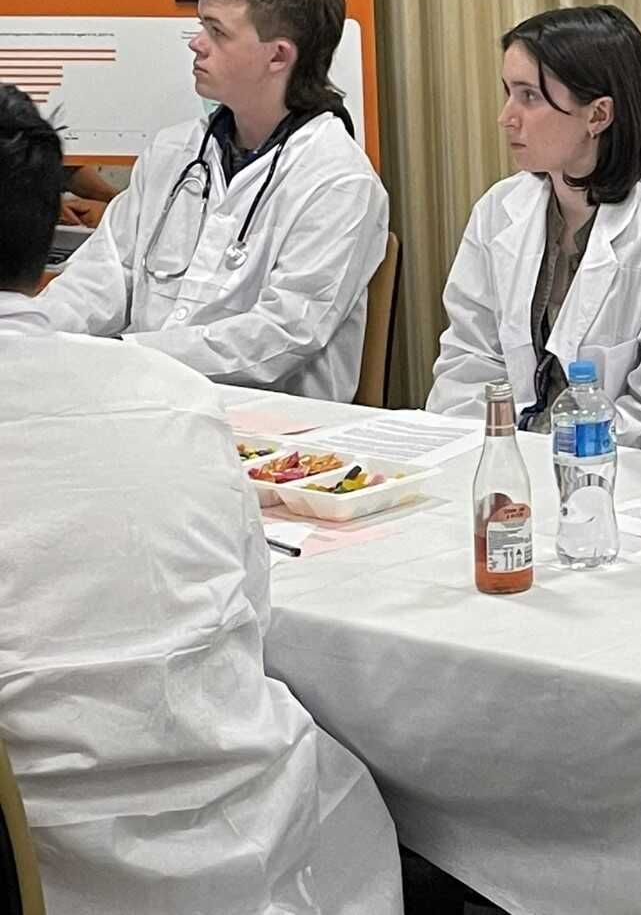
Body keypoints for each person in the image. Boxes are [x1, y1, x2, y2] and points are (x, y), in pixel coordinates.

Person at [0, 92, 402, 914]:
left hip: (42, 856)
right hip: (245, 840)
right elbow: (251, 612)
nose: (196, 46)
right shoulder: (176, 398)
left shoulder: (334, 176)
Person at [37, 0, 389, 401]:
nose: (196, 43)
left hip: (268, 421)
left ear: (278, 57)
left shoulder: (339, 181)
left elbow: (282, 334)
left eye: (217, 32)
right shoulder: (174, 152)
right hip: (142, 399)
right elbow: (103, 274)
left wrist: (127, 355)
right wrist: (36, 338)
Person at [427, 4, 641, 451]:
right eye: (508, 92)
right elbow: (468, 364)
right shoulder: (499, 211)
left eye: (529, 96)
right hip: (501, 458)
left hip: (610, 470)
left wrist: (557, 449)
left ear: (598, 115)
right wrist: (491, 454)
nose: (506, 116)